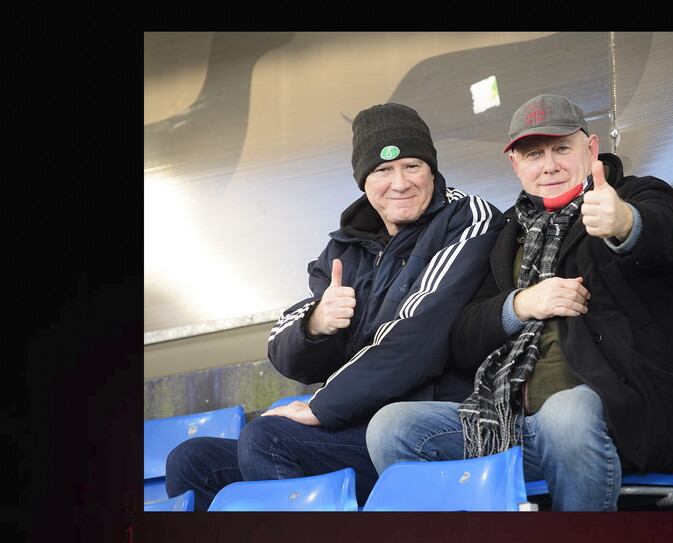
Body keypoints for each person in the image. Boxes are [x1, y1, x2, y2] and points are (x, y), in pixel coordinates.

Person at [164, 103, 505, 511]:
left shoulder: (468, 218)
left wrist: (323, 406)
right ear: (364, 181)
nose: (400, 183)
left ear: (432, 168)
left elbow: (417, 338)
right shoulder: (346, 245)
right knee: (192, 460)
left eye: (412, 166)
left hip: (423, 425)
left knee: (268, 438)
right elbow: (288, 353)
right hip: (356, 421)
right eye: (382, 171)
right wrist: (316, 324)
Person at [366, 94, 673, 511]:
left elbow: (663, 240)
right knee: (392, 427)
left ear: (591, 148)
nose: (549, 165)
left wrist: (623, 222)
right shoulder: (506, 234)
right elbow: (464, 337)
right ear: (515, 165)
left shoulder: (638, 194)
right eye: (534, 154)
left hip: (619, 419)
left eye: (562, 149)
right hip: (514, 427)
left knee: (566, 414)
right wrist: (522, 303)